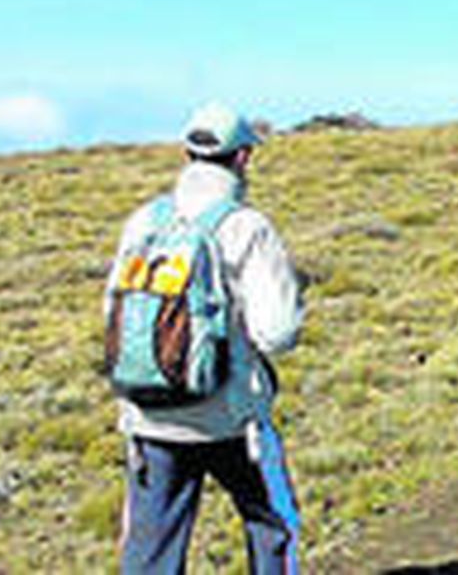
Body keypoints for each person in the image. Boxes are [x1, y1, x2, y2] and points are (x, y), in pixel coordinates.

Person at [105, 103, 304, 574]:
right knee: (272, 526)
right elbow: (276, 333)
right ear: (242, 159)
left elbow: (111, 309)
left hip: (148, 414)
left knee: (150, 551)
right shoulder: (246, 227)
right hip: (231, 419)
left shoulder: (143, 222)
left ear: (187, 153)